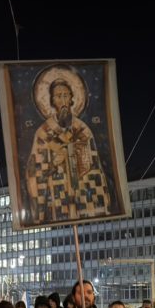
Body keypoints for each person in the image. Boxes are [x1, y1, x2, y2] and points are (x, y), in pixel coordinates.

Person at [26, 73, 111, 223]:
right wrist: (54, 164)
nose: (63, 100)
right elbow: (35, 170)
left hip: (82, 197)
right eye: (58, 96)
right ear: (52, 101)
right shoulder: (43, 132)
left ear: (72, 98)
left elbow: (95, 167)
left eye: (66, 95)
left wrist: (77, 157)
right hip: (57, 199)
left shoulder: (83, 129)